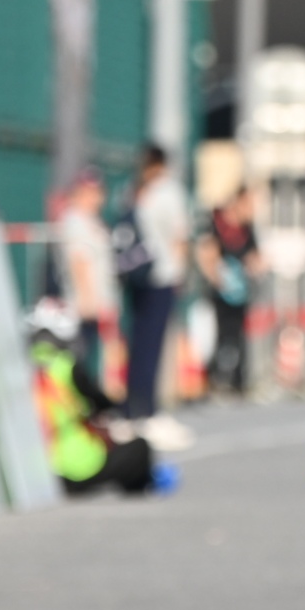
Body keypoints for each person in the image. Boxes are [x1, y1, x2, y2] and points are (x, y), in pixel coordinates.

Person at [26, 302, 158, 496]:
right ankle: (141, 490)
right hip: (75, 467)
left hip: (35, 470)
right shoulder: (68, 367)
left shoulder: (21, 366)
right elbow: (102, 403)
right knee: (139, 447)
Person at [118, 143, 192, 445]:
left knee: (138, 343)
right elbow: (179, 236)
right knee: (152, 345)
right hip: (160, 275)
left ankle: (131, 407)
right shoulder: (168, 192)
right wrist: (181, 272)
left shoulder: (133, 191)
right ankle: (146, 410)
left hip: (135, 274)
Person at [53, 168, 118, 393]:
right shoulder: (75, 221)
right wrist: (88, 300)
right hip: (82, 306)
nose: (96, 198)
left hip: (96, 304)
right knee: (79, 359)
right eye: (89, 192)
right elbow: (79, 262)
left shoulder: (93, 221)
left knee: (91, 359)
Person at [198, 185, 261, 398]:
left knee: (239, 336)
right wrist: (218, 278)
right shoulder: (217, 222)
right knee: (219, 335)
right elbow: (207, 252)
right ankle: (213, 378)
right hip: (221, 291)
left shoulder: (247, 229)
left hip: (240, 292)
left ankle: (238, 381)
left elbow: (255, 256)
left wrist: (256, 267)